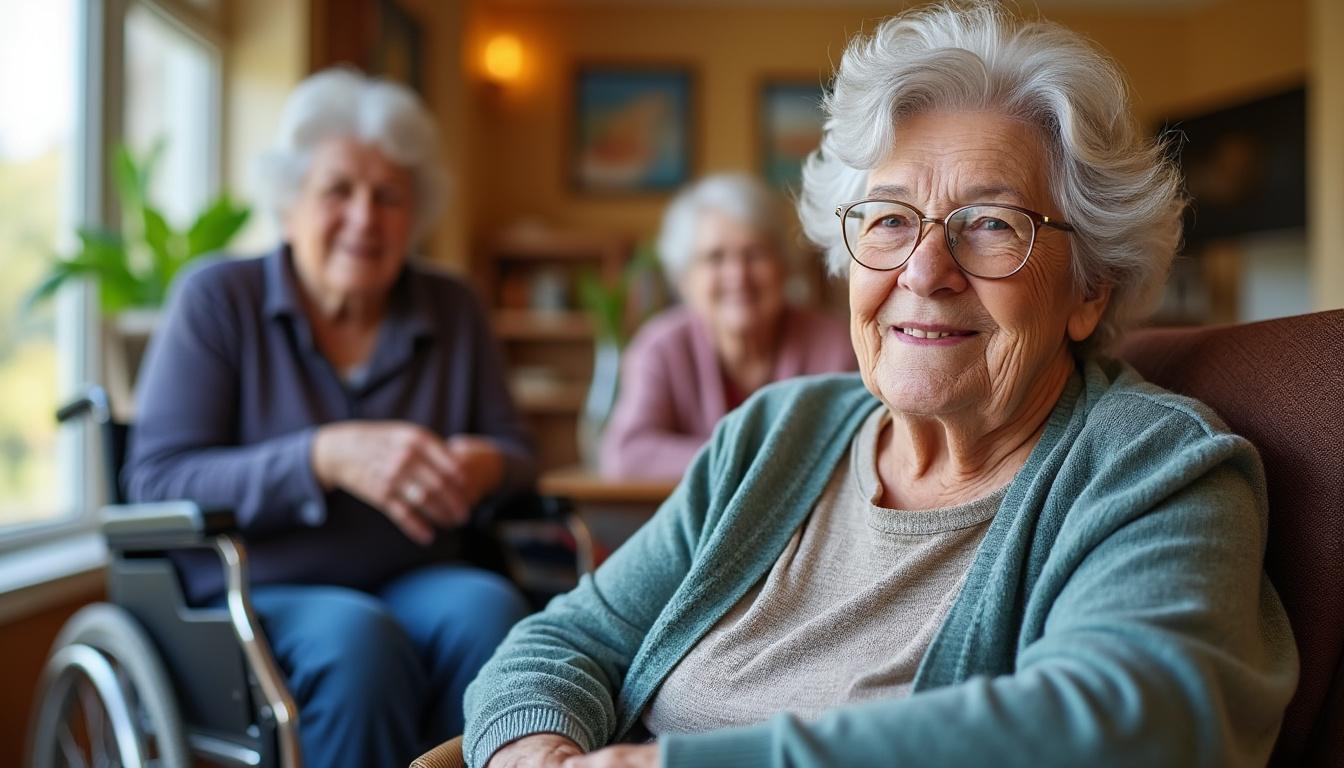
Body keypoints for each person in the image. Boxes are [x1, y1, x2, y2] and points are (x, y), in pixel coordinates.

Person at [461, 4, 1299, 767]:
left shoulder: (1154, 468)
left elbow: (1134, 725)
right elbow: (565, 638)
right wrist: (536, 754)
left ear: (1089, 289)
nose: (925, 271)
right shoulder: (773, 435)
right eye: (892, 218)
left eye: (992, 225)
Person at [124, 68, 536, 766]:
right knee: (356, 638)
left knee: (491, 612)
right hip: (259, 586)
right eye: (337, 191)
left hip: (414, 572)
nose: (364, 218)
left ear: (416, 214)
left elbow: (519, 453)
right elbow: (158, 480)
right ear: (289, 204)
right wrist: (322, 456)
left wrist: (483, 465)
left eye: (389, 196)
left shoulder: (452, 306)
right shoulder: (219, 300)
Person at [599, 173, 855, 480]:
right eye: (715, 257)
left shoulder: (836, 343)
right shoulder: (659, 347)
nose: (737, 276)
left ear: (784, 266)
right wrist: (748, 461)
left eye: (755, 254)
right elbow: (626, 455)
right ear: (684, 278)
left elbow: (858, 448)